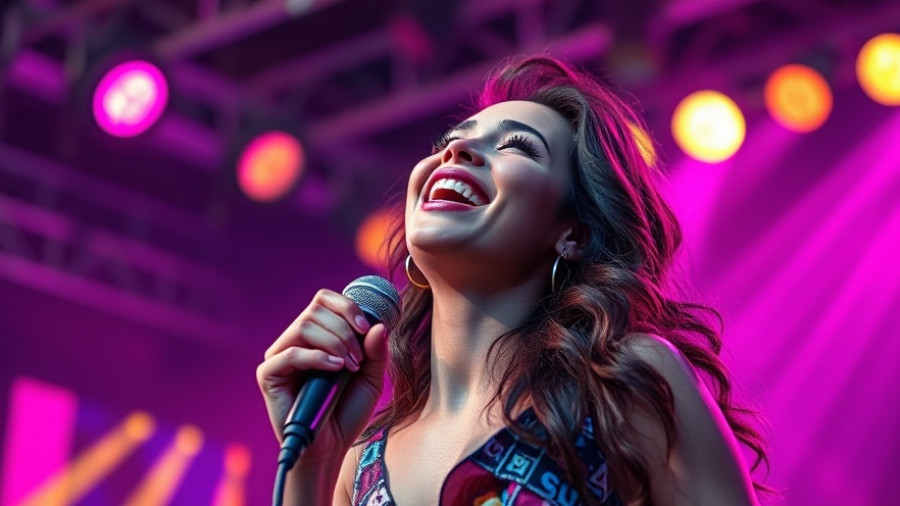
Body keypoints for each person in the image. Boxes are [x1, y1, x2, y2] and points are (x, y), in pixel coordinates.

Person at [257, 56, 768, 505]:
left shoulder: (626, 380)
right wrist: (312, 463)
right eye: (451, 142)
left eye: (518, 147)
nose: (456, 153)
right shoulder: (361, 466)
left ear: (573, 233)